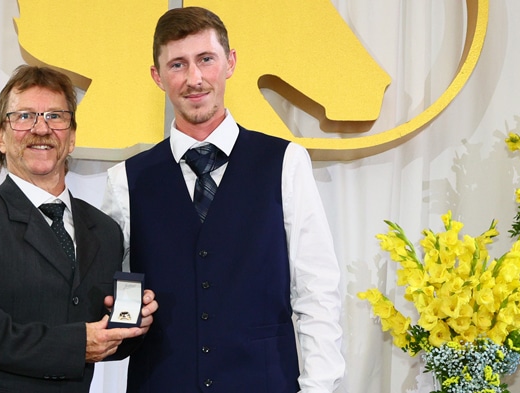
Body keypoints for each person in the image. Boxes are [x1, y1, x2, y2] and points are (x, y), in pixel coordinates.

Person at [102, 6, 344, 392]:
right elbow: (119, 296)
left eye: (206, 60)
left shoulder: (286, 162)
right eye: (177, 65)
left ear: (230, 63)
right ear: (157, 77)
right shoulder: (125, 180)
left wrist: (319, 387)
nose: (194, 79)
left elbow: (317, 292)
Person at [0, 65, 157, 393]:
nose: (41, 128)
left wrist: (132, 326)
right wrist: (76, 344)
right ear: (0, 137)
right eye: (24, 116)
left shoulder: (104, 230)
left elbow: (100, 337)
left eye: (55, 116)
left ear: (72, 137)